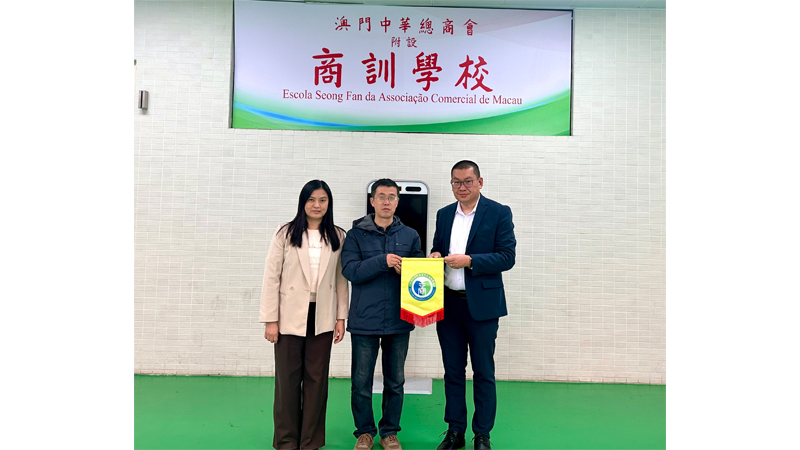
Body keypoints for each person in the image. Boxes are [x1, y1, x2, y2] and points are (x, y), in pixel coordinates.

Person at [429, 161, 516, 450]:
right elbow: (438, 246)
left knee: (483, 372)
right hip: (448, 305)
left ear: (480, 182)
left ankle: (482, 434)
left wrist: (470, 261)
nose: (462, 187)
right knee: (453, 371)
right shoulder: (444, 214)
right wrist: (435, 254)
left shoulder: (499, 212)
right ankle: (455, 431)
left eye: (467, 181)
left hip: (483, 306)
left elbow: (507, 257)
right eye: (456, 182)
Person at [259, 180, 349, 450]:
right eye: (311, 199)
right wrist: (270, 320)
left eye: (322, 200)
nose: (317, 205)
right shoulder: (285, 233)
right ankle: (286, 441)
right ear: (302, 202)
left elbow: (341, 279)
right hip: (288, 316)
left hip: (323, 315)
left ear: (329, 203)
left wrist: (341, 317)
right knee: (287, 381)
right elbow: (271, 277)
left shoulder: (338, 235)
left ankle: (310, 441)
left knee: (316, 381)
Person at [341, 178, 424, 450]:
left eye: (391, 197)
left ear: (398, 202)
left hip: (399, 320)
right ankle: (364, 432)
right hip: (364, 320)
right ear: (372, 201)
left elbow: (420, 272)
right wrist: (382, 261)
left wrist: (413, 268)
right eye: (381, 197)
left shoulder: (410, 235)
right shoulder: (355, 235)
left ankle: (389, 432)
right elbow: (350, 271)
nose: (386, 202)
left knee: (395, 382)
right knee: (360, 382)